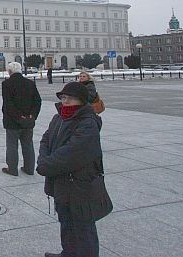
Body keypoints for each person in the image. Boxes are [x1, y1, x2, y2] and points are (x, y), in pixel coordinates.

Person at [37, 82, 113, 257]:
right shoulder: (59, 118)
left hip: (80, 185)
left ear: (81, 101)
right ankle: (69, 253)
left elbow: (73, 153)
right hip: (62, 183)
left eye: (70, 99)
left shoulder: (87, 122)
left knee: (83, 228)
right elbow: (46, 140)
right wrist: (43, 159)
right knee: (66, 223)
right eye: (63, 98)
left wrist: (45, 165)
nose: (65, 102)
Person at [1, 62, 41, 176]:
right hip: (28, 121)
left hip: (13, 121)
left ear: (9, 71)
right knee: (28, 145)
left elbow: (8, 104)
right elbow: (37, 101)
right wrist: (32, 115)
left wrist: (19, 117)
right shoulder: (30, 83)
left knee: (12, 145)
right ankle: (29, 168)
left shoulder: (7, 84)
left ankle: (12, 169)